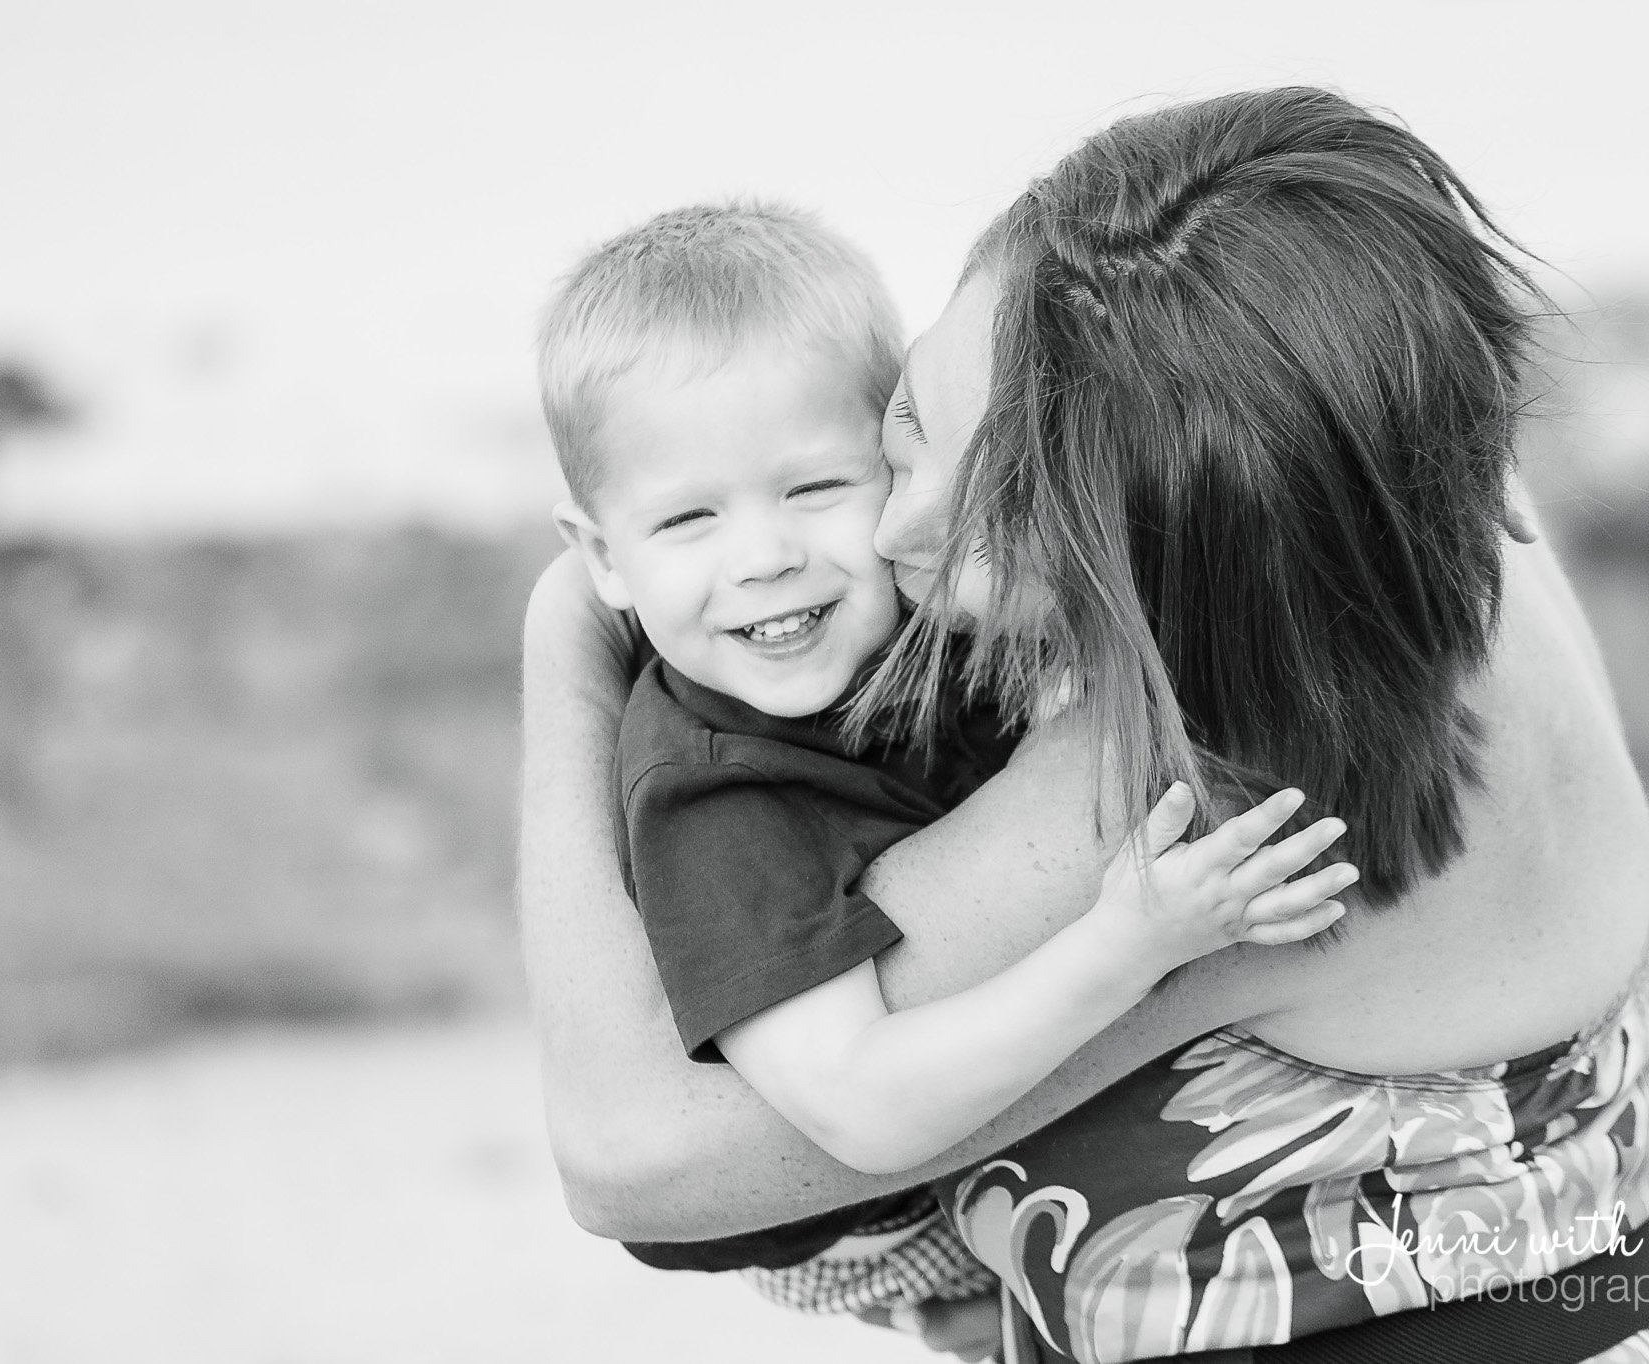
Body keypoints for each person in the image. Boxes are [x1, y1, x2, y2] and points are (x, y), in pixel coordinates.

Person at [520, 88, 1649, 1363]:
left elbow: (637, 1156)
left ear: (1166, 548)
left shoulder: (1210, 783)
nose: (888, 532)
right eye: (909, 425)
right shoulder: (1412, 492)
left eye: (998, 521)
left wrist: (570, 637)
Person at [535, 201, 1354, 1323]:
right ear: (600, 559)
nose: (765, 556)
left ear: (901, 460)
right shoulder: (717, 802)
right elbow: (861, 1112)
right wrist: (1129, 942)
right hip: (858, 1218)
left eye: (815, 488)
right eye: (686, 520)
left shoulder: (911, 614)